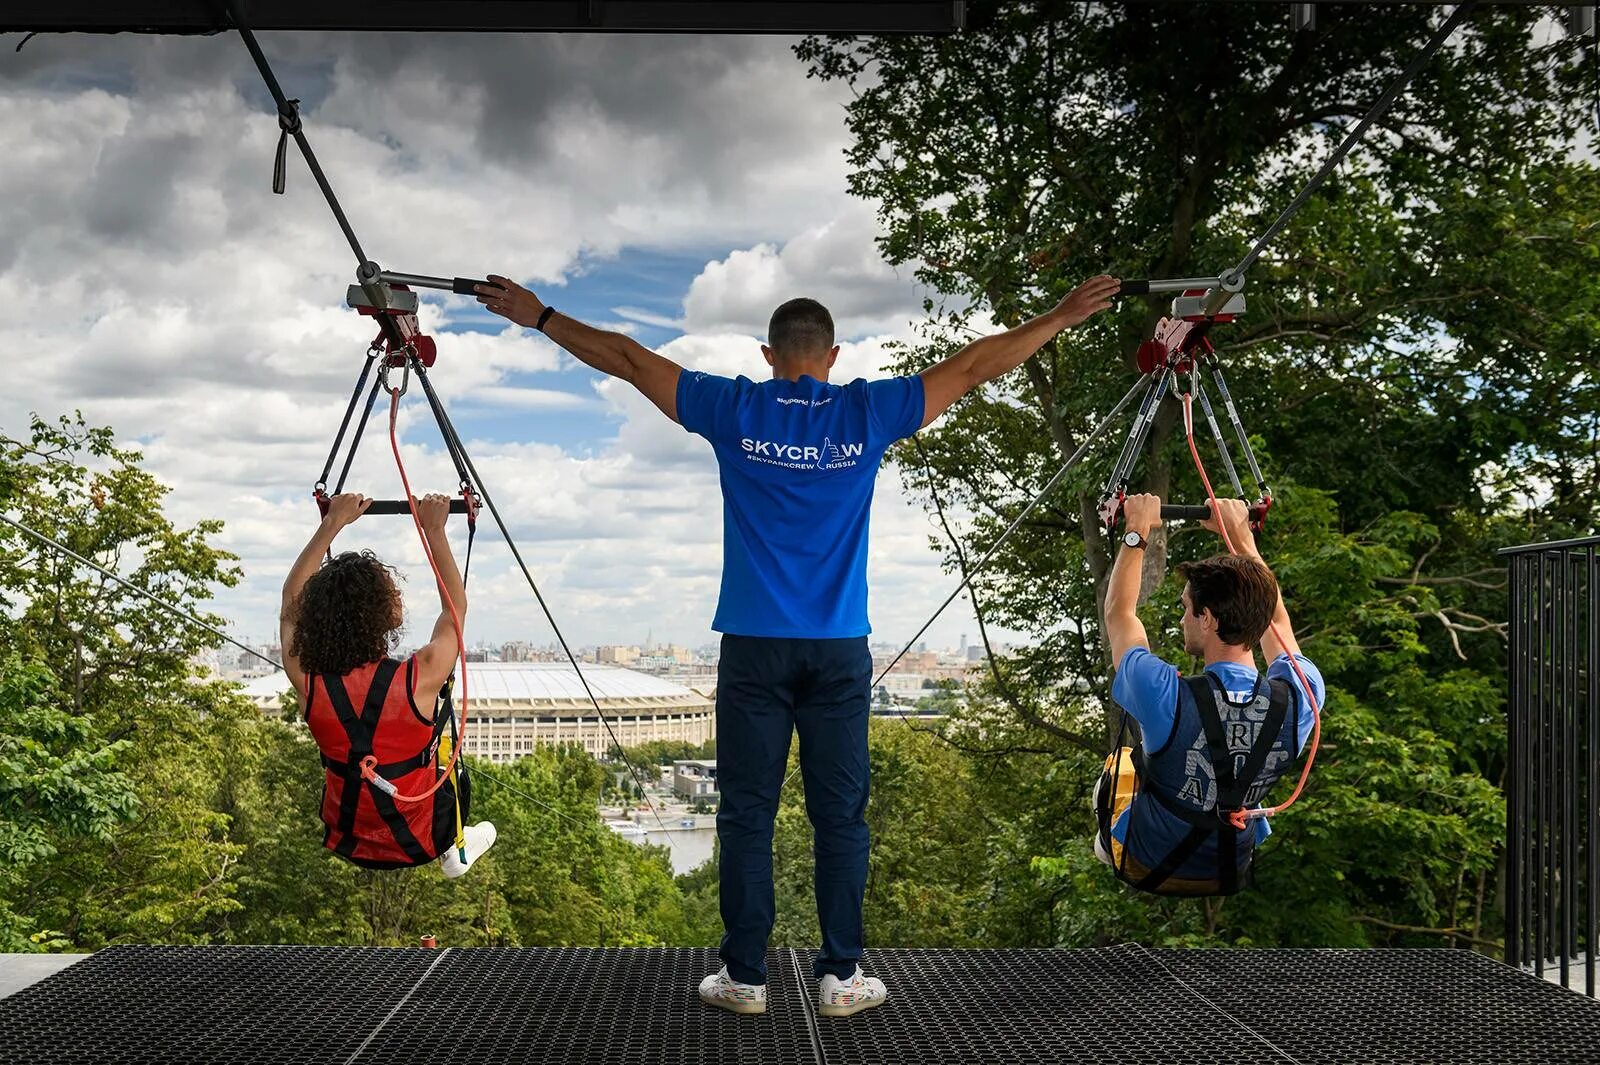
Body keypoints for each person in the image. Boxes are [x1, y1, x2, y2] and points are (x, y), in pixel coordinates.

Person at [476, 270, 1119, 1016]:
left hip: (753, 645)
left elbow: (625, 356)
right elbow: (976, 364)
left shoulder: (734, 405)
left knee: (747, 812)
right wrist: (1061, 314)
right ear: (833, 355)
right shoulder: (867, 410)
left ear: (767, 355)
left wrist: (541, 314)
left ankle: (745, 976)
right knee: (839, 816)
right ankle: (841, 977)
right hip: (839, 648)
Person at [1096, 493, 1324, 895]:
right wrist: (1242, 536)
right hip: (1226, 864)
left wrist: (1137, 531)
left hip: (1147, 860)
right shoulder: (1302, 696)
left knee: (1119, 770)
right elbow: (1278, 622)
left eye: (1187, 609)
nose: (1183, 618)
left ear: (1208, 618)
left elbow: (1119, 614)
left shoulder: (1164, 693)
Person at [280, 491, 496, 876]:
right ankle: (454, 847)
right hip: (422, 838)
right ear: (378, 612)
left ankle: (450, 845)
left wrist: (331, 524)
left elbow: (290, 604)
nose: (397, 594)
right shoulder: (419, 677)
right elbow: (454, 609)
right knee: (451, 779)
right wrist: (434, 531)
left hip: (348, 836)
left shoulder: (310, 684)